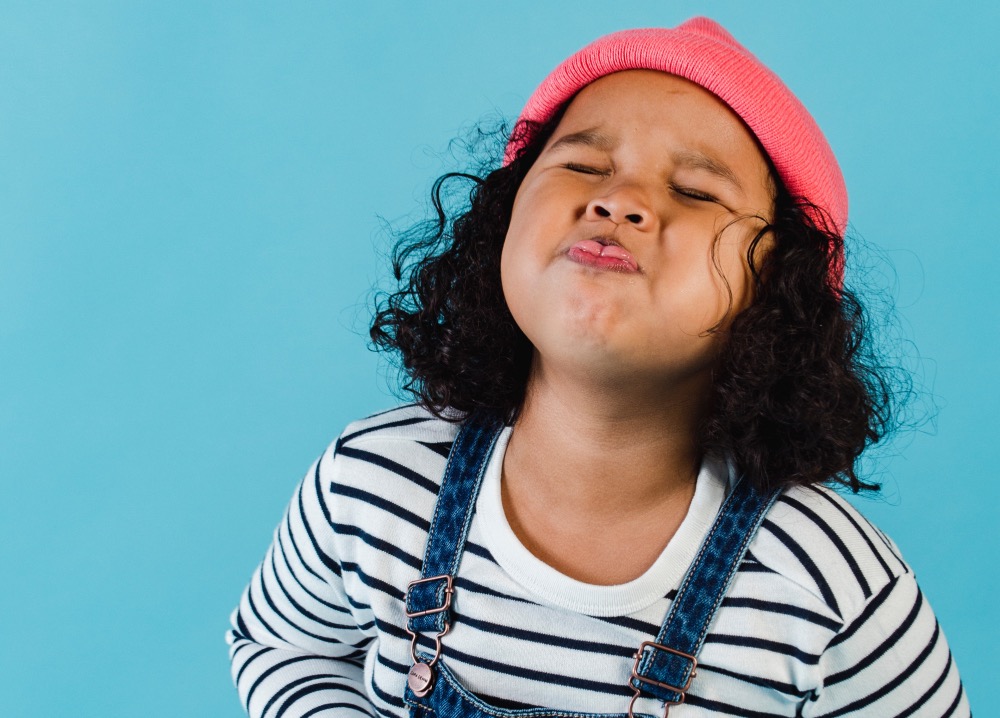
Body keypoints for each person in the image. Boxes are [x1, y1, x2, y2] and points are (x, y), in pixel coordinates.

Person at [226, 17, 970, 718]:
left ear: (782, 290)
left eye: (695, 190)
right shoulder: (373, 483)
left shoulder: (831, 586)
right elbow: (282, 646)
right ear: (501, 221)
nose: (619, 201)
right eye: (584, 164)